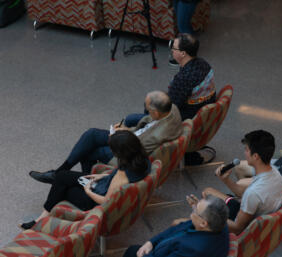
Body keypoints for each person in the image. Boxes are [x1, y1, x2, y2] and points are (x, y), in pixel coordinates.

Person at [29, 91, 182, 184]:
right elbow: (143, 128)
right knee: (91, 135)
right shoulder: (170, 108)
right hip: (134, 138)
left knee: (87, 151)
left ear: (155, 113)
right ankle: (62, 173)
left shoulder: (157, 135)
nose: (146, 112)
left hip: (127, 154)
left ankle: (77, 179)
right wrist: (127, 129)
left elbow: (130, 147)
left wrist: (120, 134)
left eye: (148, 109)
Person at [20, 130, 151, 230]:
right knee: (62, 177)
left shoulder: (123, 175)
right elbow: (119, 180)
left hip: (92, 201)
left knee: (60, 188)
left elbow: (106, 201)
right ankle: (45, 211)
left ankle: (39, 221)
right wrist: (102, 176)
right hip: (102, 185)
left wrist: (88, 190)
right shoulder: (142, 159)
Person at [202, 130, 282, 235]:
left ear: (255, 156)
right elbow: (244, 194)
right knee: (208, 192)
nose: (244, 153)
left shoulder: (253, 193)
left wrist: (206, 215)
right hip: (254, 214)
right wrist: (226, 180)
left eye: (246, 150)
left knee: (205, 200)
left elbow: (237, 228)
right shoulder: (275, 173)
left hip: (245, 224)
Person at [126, 34, 215, 125]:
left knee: (131, 118)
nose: (172, 50)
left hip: (184, 117)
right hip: (200, 109)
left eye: (174, 48)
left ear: (183, 53)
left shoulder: (183, 78)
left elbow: (169, 108)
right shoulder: (204, 64)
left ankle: (150, 126)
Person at [122, 194, 229, 257]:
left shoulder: (194, 249)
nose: (193, 210)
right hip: (161, 248)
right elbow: (178, 227)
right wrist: (151, 242)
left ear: (203, 223)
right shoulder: (219, 223)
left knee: (131, 251)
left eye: (195, 210)